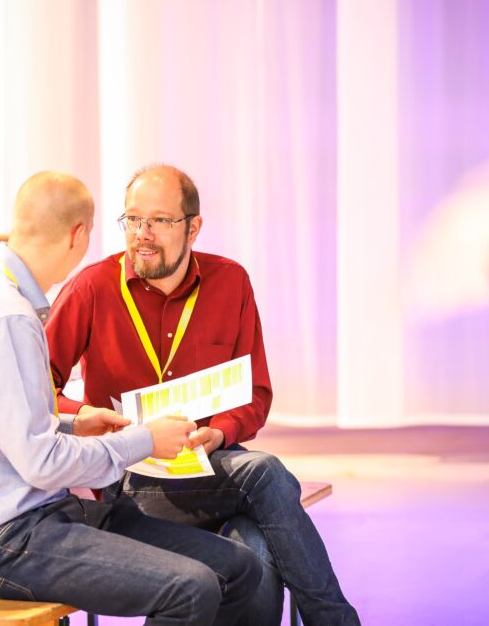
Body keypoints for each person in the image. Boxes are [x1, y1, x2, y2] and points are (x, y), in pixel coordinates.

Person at [0, 171, 261, 625]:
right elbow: (41, 463)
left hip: (41, 513)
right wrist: (144, 440)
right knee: (191, 587)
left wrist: (74, 423)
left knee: (239, 567)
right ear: (78, 235)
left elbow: (3, 423)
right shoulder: (6, 314)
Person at [46, 164, 361, 625]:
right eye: (133, 219)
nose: (142, 235)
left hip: (212, 467)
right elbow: (37, 388)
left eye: (159, 220)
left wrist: (219, 433)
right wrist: (88, 414)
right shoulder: (92, 287)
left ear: (193, 228)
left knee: (254, 548)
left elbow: (255, 395)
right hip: (130, 477)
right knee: (265, 475)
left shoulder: (230, 282)